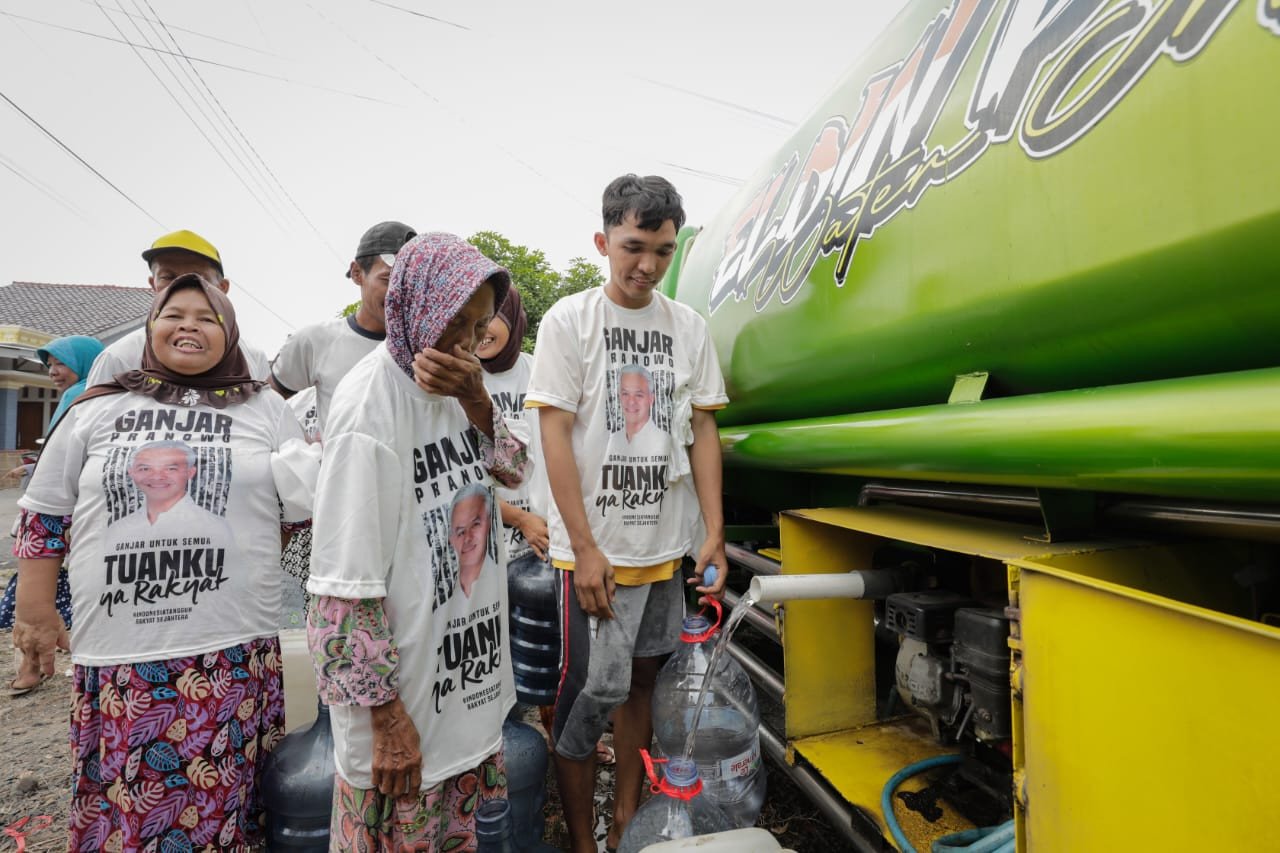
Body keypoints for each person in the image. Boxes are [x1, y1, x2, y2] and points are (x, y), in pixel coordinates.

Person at [12, 274, 310, 850]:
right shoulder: (97, 408)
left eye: (208, 316)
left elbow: (300, 513)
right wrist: (36, 612)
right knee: (134, 817)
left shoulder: (267, 409)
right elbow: (45, 515)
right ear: (150, 327)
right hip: (125, 662)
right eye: (175, 313)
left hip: (230, 656)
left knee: (222, 815)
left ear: (231, 335)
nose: (189, 325)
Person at [525, 174, 730, 852]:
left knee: (644, 681)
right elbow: (553, 434)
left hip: (663, 549)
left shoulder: (687, 328)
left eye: (664, 251)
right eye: (634, 246)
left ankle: (625, 825)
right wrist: (582, 547)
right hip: (596, 554)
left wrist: (714, 534)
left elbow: (702, 431)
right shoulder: (569, 321)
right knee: (588, 697)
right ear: (602, 240)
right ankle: (583, 839)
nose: (647, 265)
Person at [306, 232, 527, 851]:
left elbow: (514, 472)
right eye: (453, 322)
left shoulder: (461, 390)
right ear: (412, 307)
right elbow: (342, 587)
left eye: (479, 327)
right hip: (402, 710)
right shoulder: (368, 411)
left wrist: (479, 402)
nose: (465, 342)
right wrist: (386, 719)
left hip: (459, 681)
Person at [1, 335, 103, 690]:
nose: (54, 372)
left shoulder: (83, 397)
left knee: (34, 598)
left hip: (62, 519)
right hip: (77, 520)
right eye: (49, 366)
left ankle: (30, 670)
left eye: (61, 363)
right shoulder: (96, 394)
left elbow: (59, 468)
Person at [270, 220, 417, 435]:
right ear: (357, 273)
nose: (400, 293)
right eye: (388, 279)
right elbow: (265, 407)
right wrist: (305, 449)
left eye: (412, 282)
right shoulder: (315, 341)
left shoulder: (427, 344)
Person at [85, 230, 272, 385]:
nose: (182, 285)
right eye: (168, 276)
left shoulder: (252, 359)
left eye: (197, 276)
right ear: (153, 285)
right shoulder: (119, 358)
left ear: (222, 288)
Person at [107, 441, 239, 551]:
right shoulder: (117, 530)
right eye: (145, 469)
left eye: (171, 468)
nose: (157, 477)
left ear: (190, 472)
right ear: (132, 473)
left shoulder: (214, 528)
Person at [449, 482, 496, 598]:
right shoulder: (441, 600)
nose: (468, 538)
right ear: (451, 539)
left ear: (489, 523)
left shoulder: (501, 581)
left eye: (475, 525)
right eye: (460, 532)